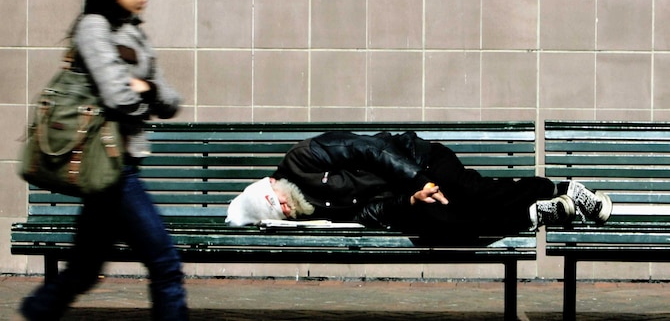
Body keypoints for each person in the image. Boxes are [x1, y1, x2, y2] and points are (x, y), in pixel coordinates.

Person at [20, 0, 189, 321]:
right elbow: (117, 96)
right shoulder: (93, 26)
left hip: (117, 164)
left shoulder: (133, 31)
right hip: (112, 168)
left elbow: (170, 99)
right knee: (165, 263)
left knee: (82, 270)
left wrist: (144, 89)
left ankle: (36, 311)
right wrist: (142, 94)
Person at [225, 131, 612, 241]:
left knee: (467, 192)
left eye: (277, 202)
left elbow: (370, 149)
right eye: (282, 216)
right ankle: (536, 212)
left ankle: (561, 188)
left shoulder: (302, 157)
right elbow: (367, 214)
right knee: (438, 225)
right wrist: (411, 200)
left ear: (271, 185)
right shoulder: (312, 213)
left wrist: (419, 180)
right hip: (409, 193)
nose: (287, 210)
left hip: (421, 159)